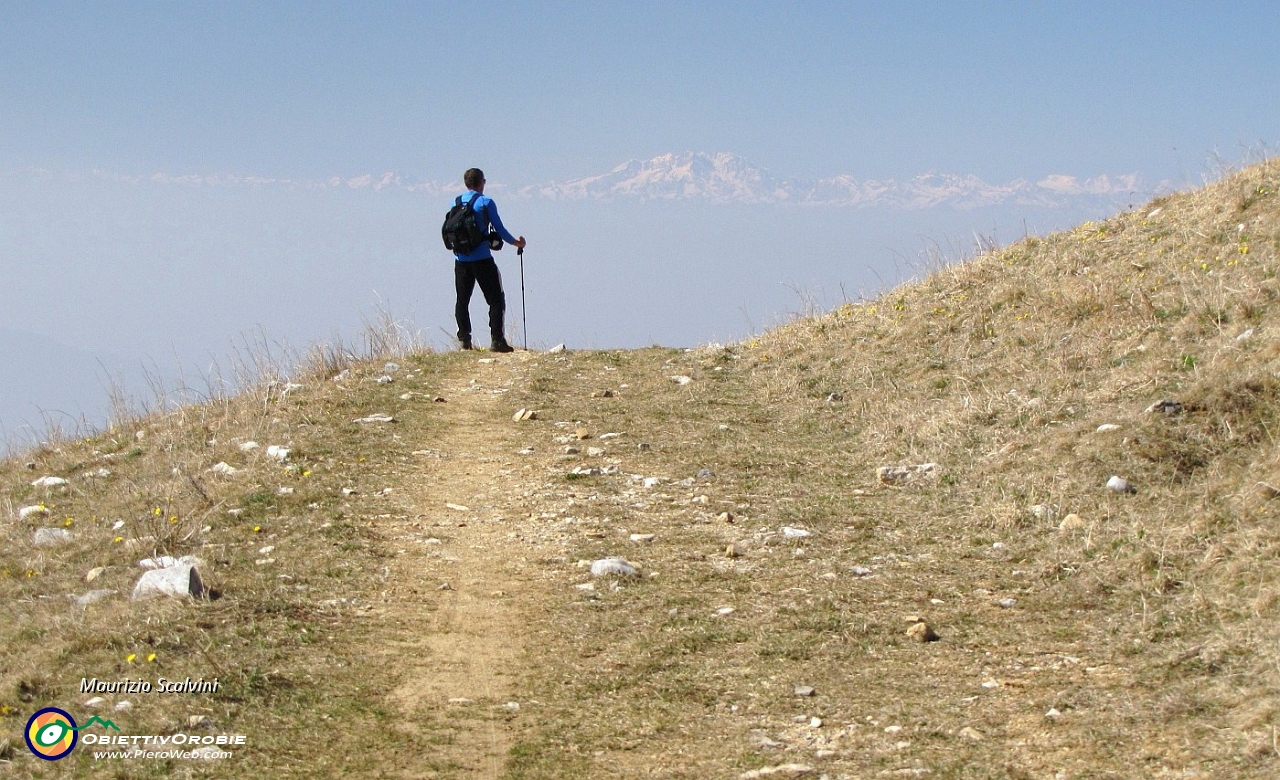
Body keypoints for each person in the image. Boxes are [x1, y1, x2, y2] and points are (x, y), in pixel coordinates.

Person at [450, 168, 526, 352]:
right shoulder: (486, 202)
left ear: (466, 183)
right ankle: (497, 340)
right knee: (495, 299)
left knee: (462, 300)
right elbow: (499, 229)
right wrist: (517, 243)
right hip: (482, 259)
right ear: (481, 182)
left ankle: (464, 341)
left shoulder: (456, 201)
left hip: (461, 259)